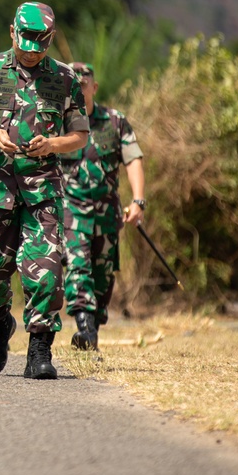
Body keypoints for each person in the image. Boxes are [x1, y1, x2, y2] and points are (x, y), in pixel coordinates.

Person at [0, 2, 88, 380]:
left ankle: (40, 350)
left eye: (40, 42)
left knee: (45, 270)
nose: (31, 48)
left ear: (51, 38)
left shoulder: (64, 78)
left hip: (41, 189)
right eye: (26, 40)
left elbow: (80, 135)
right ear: (12, 32)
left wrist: (53, 145)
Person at [59, 62, 145, 351]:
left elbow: (133, 158)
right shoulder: (57, 121)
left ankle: (92, 328)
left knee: (103, 277)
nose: (78, 90)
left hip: (107, 214)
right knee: (77, 267)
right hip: (71, 211)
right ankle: (85, 328)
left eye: (83, 85)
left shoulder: (114, 121)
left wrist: (138, 200)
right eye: (73, 85)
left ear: (93, 88)